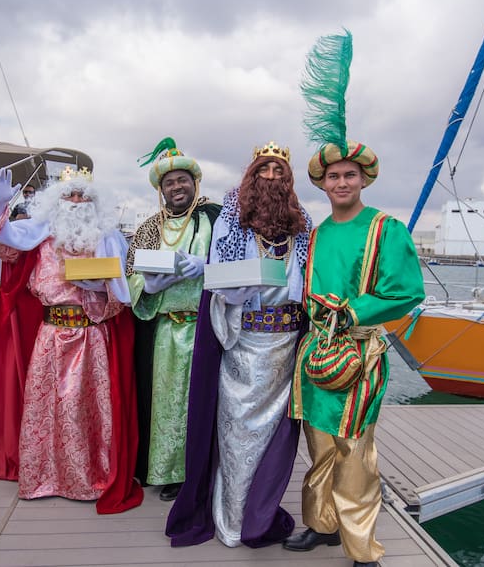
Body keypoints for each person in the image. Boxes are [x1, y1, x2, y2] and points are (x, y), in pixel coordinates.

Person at [283, 31, 425, 566]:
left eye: (350, 175)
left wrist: (353, 312)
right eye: (334, 176)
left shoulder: (387, 229)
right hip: (316, 354)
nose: (342, 182)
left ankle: (362, 547)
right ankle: (320, 524)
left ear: (364, 178)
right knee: (317, 446)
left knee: (356, 451)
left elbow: (407, 293)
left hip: (360, 354)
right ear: (323, 184)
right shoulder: (316, 232)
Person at [0, 166, 143, 514]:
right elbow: (2, 243)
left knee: (85, 410)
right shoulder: (39, 236)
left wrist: (102, 288)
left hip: (91, 339)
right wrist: (1, 205)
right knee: (47, 410)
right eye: (69, 195)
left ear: (94, 203)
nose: (76, 201)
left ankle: (88, 478)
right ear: (56, 201)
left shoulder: (108, 238)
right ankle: (44, 478)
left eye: (83, 195)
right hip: (49, 337)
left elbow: (125, 293)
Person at [166, 141, 311, 548]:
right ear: (252, 175)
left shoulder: (303, 221)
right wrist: (229, 284)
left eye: (278, 171)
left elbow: (311, 280)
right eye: (264, 170)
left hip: (286, 347)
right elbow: (220, 278)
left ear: (288, 178)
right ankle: (231, 518)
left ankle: (258, 513)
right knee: (238, 434)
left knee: (274, 439)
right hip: (244, 342)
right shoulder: (233, 215)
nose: (271, 178)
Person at [126, 138, 221, 502]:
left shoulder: (214, 218)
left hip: (208, 328)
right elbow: (132, 273)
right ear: (160, 190)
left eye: (182, 180)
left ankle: (203, 470)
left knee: (204, 402)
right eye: (169, 183)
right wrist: (148, 285)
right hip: (165, 330)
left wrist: (206, 269)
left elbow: (234, 267)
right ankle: (169, 471)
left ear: (194, 183)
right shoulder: (150, 227)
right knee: (166, 404)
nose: (176, 187)